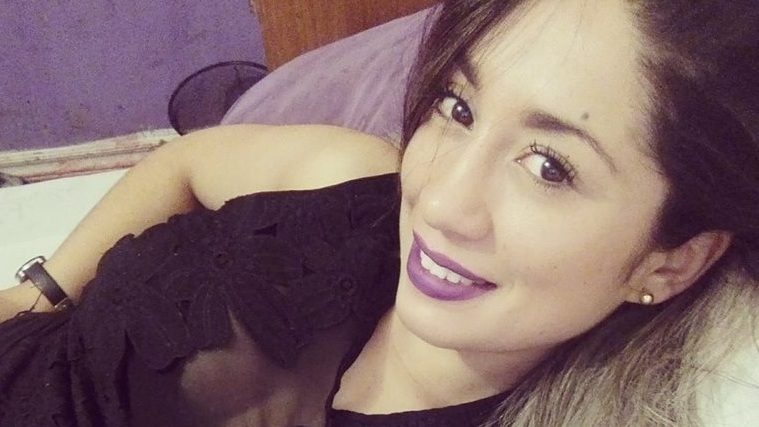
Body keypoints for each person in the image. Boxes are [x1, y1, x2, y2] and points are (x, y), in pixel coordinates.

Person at [1, 0, 758, 425]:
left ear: (672, 261)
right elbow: (187, 163)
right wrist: (39, 292)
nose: (439, 198)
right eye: (458, 107)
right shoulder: (354, 178)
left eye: (548, 166)